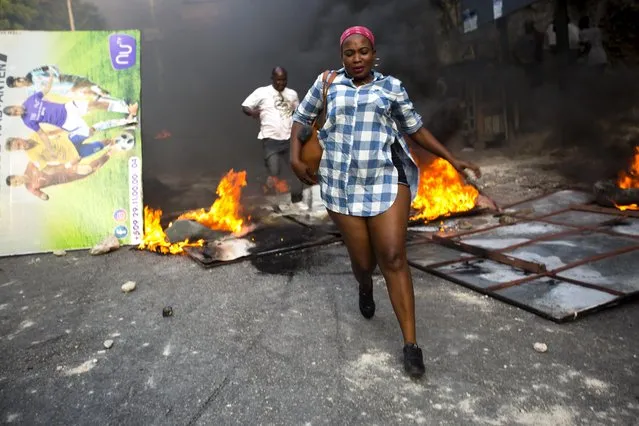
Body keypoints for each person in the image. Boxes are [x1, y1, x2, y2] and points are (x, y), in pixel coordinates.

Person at [290, 26, 481, 378]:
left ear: (373, 54)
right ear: (342, 56)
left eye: (363, 52)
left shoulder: (390, 87)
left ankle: (411, 345)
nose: (357, 58)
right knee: (365, 263)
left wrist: (453, 160)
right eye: (350, 53)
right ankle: (364, 284)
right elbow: (301, 118)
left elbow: (416, 129)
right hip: (341, 183)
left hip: (385, 177)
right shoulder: (328, 82)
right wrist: (293, 156)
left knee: (392, 256)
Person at [3, 75, 138, 158]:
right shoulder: (27, 121)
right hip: (67, 122)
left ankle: (127, 109)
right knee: (91, 131)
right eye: (14, 114)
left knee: (95, 104)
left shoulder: (30, 100)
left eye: (14, 110)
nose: (17, 112)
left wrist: (50, 78)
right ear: (15, 116)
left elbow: (44, 91)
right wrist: (50, 149)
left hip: (68, 107)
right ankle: (127, 121)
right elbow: (42, 134)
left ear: (15, 106)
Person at [242, 67, 307, 210]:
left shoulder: (292, 94)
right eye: (278, 80)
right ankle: (272, 198)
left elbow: (299, 111)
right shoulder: (262, 92)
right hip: (270, 140)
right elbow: (245, 106)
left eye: (284, 80)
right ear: (272, 79)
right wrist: (253, 112)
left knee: (295, 169)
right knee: (274, 170)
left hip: (289, 140)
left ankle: (297, 200)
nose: (281, 83)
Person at [5, 146, 114, 201]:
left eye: (16, 180)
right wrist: (44, 197)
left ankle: (109, 148)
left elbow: (45, 158)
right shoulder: (30, 188)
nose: (18, 182)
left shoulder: (30, 166)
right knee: (90, 170)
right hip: (64, 178)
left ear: (16, 175)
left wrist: (65, 162)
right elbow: (41, 195)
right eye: (16, 184)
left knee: (88, 168)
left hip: (64, 167)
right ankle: (109, 152)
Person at [6, 65, 117, 102]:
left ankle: (97, 88)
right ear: (18, 87)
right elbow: (42, 101)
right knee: (91, 95)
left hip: (65, 80)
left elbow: (50, 67)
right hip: (64, 92)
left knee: (86, 86)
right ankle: (114, 99)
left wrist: (57, 74)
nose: (21, 79)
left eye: (18, 78)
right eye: (18, 82)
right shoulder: (31, 93)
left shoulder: (32, 73)